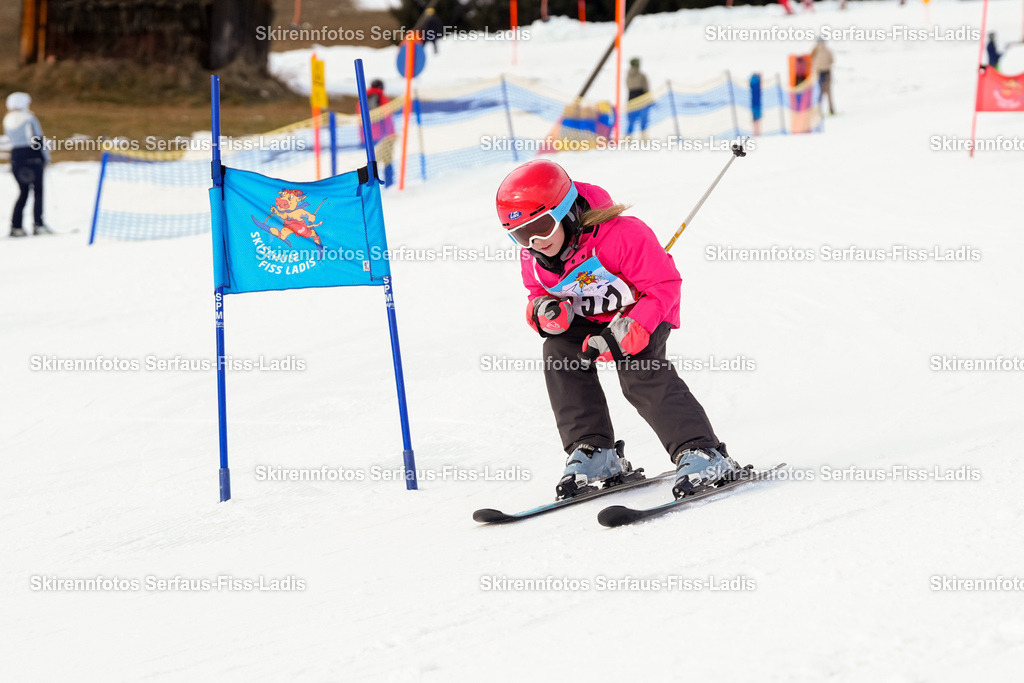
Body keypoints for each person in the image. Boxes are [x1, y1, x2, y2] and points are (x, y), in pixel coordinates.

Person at [495, 159, 738, 500]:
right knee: (559, 352)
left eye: (543, 226)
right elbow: (537, 296)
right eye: (521, 234)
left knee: (637, 368)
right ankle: (595, 452)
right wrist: (544, 311)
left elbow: (664, 285)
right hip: (588, 319)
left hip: (644, 311)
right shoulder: (534, 259)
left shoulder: (624, 235)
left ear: (566, 210)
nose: (535, 241)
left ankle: (702, 452)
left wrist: (631, 328)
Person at [4, 92, 52, 237]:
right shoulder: (30, 118)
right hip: (33, 157)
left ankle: (16, 226)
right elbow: (37, 139)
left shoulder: (7, 119)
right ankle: (39, 225)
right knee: (38, 191)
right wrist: (46, 157)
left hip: (16, 157)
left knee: (23, 192)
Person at [360, 79, 396, 187]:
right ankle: (389, 184)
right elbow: (387, 118)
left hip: (368, 137)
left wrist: (362, 138)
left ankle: (370, 186)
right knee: (387, 160)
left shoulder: (362, 99)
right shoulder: (383, 99)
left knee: (371, 164)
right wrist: (391, 134)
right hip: (384, 136)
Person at [625, 57, 651, 140]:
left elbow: (628, 86)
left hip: (631, 99)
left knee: (631, 119)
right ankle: (644, 137)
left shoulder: (628, 75)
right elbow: (646, 87)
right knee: (643, 118)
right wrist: (649, 99)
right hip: (642, 99)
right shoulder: (642, 76)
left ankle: (628, 137)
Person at [811, 37, 835, 115]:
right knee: (828, 91)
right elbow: (832, 60)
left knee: (819, 91)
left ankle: (818, 110)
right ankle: (831, 109)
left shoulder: (815, 50)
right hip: (827, 71)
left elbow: (810, 59)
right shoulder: (828, 50)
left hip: (819, 72)